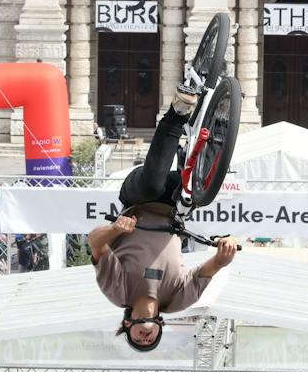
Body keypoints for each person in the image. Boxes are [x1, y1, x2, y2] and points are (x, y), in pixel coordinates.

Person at [86, 84, 239, 352]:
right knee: (202, 189)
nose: (145, 337)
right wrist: (222, 257)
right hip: (173, 211)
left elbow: (95, 243)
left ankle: (178, 113)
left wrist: (116, 229)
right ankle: (224, 119)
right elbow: (207, 270)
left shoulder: (118, 293)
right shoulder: (177, 301)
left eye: (138, 339)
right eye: (150, 339)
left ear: (127, 325)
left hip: (138, 199)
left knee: (153, 184)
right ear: (159, 327)